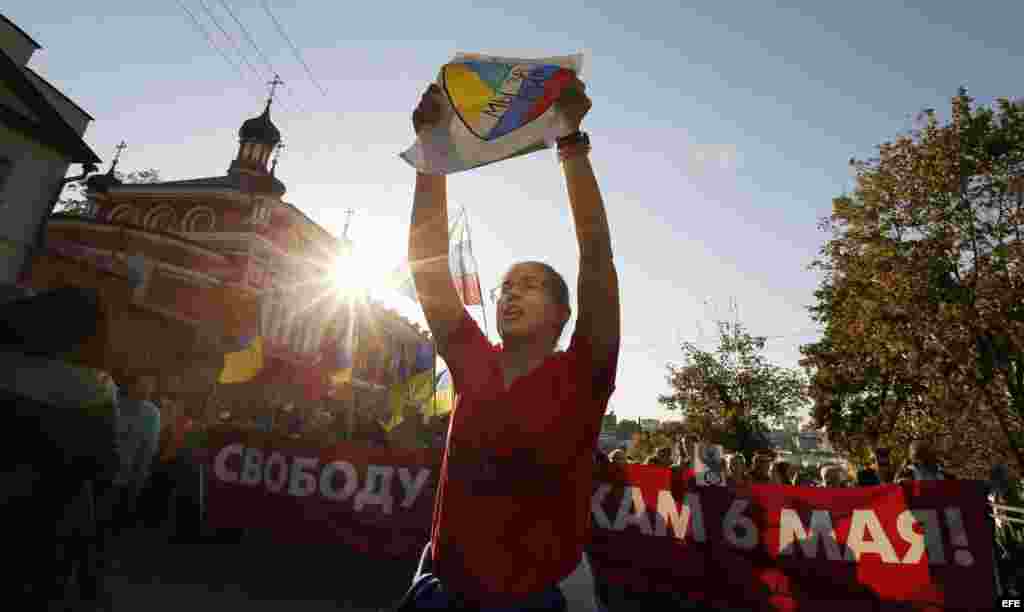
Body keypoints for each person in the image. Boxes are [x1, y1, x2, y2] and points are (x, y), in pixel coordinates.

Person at [397, 75, 618, 611]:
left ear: (565, 314)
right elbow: (428, 272)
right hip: (442, 593)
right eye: (506, 286)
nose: (511, 293)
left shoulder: (584, 371)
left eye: (532, 284)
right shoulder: (475, 361)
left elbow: (595, 256)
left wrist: (571, 144)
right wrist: (431, 150)